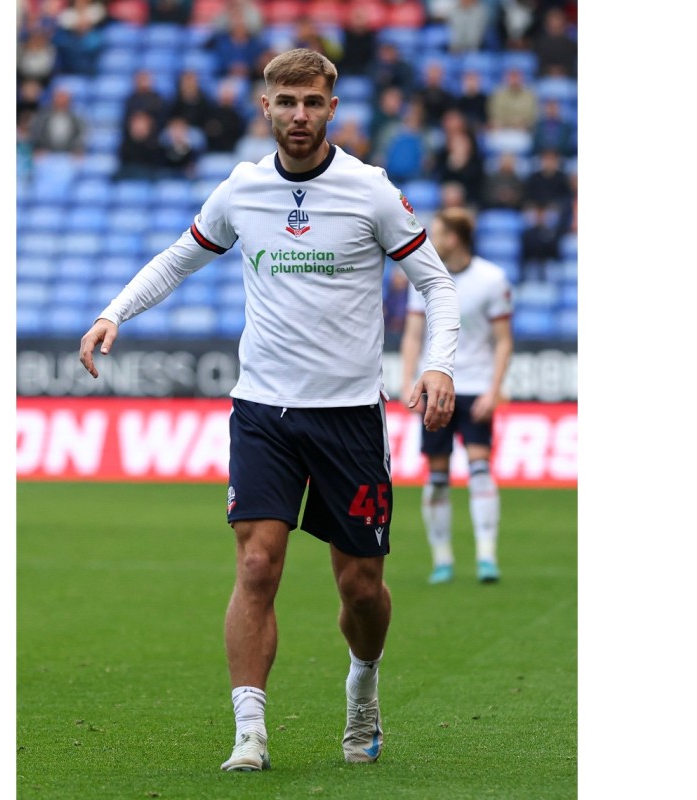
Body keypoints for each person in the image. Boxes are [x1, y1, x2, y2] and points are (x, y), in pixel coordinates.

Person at [79, 48, 460, 772]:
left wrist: (438, 361)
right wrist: (113, 312)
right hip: (263, 410)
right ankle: (250, 730)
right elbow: (179, 256)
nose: (299, 115)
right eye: (286, 101)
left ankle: (363, 684)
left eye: (313, 102)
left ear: (333, 109)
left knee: (362, 587)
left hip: (348, 416)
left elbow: (436, 285)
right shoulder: (241, 189)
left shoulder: (371, 191)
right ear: (265, 106)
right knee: (257, 563)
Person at [400, 207, 513, 584]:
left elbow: (502, 341)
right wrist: (407, 380)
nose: (430, 240)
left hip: (476, 386)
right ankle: (443, 559)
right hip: (435, 387)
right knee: (436, 476)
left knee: (480, 470)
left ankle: (487, 556)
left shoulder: (491, 279)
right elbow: (414, 334)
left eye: (437, 233)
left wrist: (495, 390)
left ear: (454, 238)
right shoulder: (426, 277)